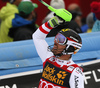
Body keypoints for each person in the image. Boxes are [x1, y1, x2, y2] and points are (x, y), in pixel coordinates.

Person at [32, 11, 84, 88]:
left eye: (60, 40)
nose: (55, 41)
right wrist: (52, 22)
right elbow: (37, 37)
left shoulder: (75, 72)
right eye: (56, 37)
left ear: (70, 47)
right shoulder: (48, 57)